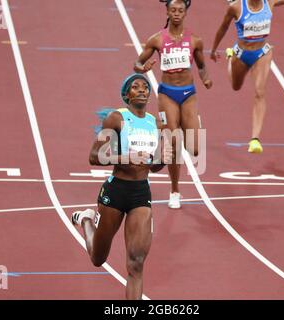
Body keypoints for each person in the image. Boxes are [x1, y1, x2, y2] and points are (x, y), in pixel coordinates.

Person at [71, 73, 171, 300]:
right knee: (98, 259)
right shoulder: (117, 118)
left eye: (145, 86)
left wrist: (163, 158)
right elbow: (94, 156)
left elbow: (153, 167)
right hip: (115, 192)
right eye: (136, 87)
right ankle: (86, 220)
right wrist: (126, 157)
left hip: (140, 194)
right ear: (127, 95)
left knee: (136, 263)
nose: (142, 89)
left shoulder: (155, 123)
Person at [134, 0, 213, 209]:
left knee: (195, 149)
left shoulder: (195, 40)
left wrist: (206, 79)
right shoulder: (157, 39)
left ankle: (191, 124)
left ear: (185, 13)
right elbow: (137, 63)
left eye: (180, 10)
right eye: (173, 10)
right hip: (167, 94)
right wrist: (143, 68)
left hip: (188, 94)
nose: (177, 13)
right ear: (167, 12)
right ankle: (175, 190)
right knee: (174, 143)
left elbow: (202, 66)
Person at [210, 0, 284, 153]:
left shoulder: (270, 2)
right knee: (236, 86)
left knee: (260, 92)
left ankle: (255, 139)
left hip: (262, 53)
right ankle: (230, 57)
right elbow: (223, 27)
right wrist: (213, 49)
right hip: (242, 54)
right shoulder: (236, 7)